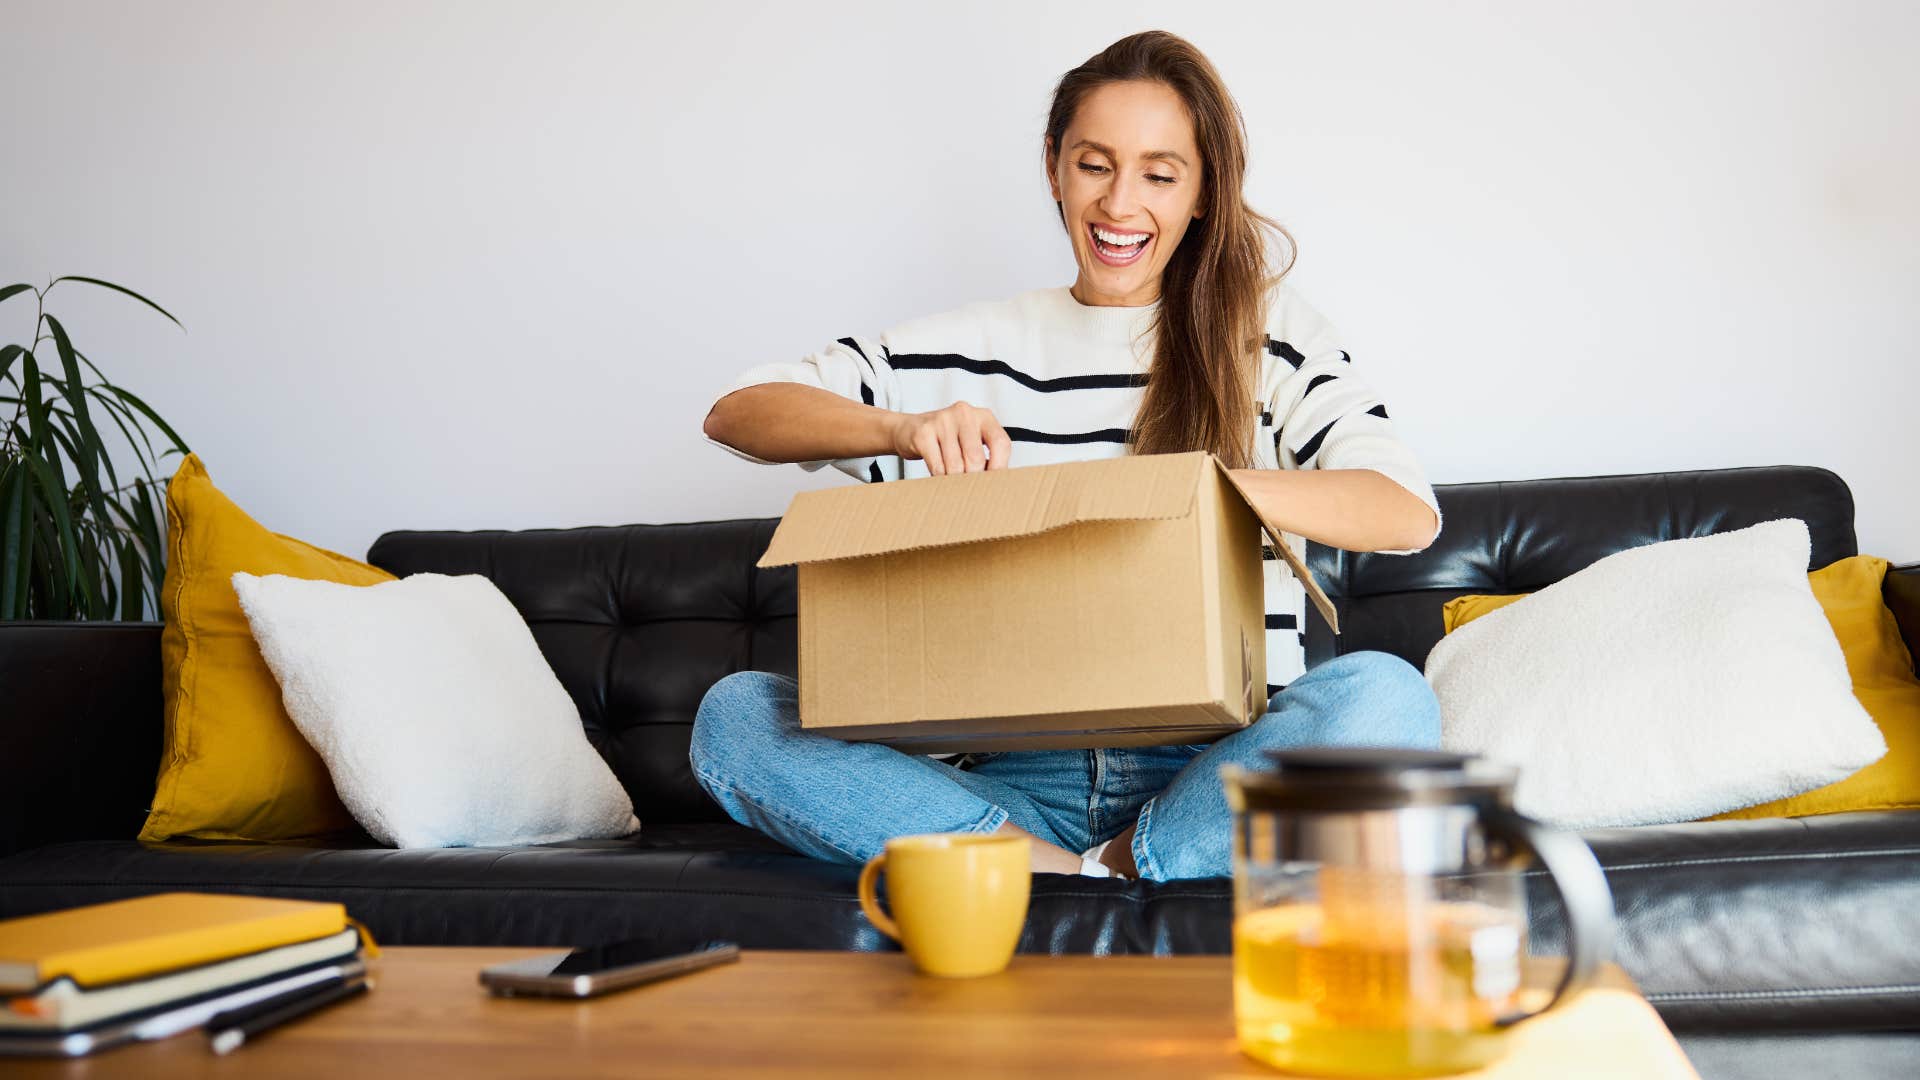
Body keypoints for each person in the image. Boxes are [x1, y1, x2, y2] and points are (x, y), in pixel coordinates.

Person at [693, 30, 1443, 882]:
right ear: (1054, 167)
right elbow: (737, 413)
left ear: (1203, 193)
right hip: (1006, 786)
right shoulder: (965, 347)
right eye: (1094, 165)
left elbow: (1404, 511)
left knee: (1388, 699)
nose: (1120, 204)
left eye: (1160, 175)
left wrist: (1204, 490)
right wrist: (900, 431)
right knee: (736, 716)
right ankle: (1071, 871)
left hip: (1215, 770)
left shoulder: (1268, 337)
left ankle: (1104, 866)